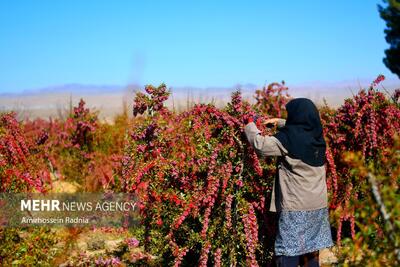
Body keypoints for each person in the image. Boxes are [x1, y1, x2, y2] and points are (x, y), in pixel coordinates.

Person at [244, 98, 333, 267]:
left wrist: (250, 125)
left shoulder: (287, 141)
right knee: (311, 248)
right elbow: (301, 128)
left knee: (287, 251)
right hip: (318, 204)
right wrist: (280, 122)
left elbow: (261, 145)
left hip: (296, 206)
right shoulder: (318, 137)